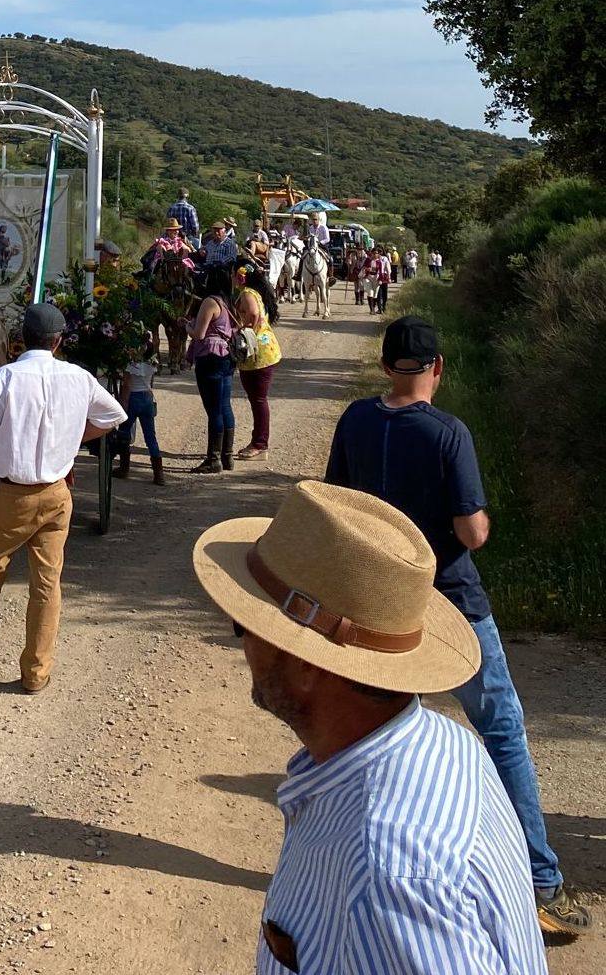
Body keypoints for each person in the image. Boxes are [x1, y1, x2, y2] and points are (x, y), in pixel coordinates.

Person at [192, 480, 547, 974]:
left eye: (246, 625)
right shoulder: (451, 745)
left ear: (308, 664)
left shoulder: (389, 876)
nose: (242, 645)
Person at [325, 317, 592, 939]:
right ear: (437, 368)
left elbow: (338, 505)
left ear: (387, 364)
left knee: (388, 737)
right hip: (449, 603)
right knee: (500, 731)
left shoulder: (355, 421)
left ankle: (384, 872)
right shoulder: (448, 432)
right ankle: (538, 884)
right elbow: (471, 532)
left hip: (377, 603)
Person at [0, 303, 125, 693]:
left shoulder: (6, 378)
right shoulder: (78, 377)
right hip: (56, 496)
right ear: (58, 341)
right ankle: (36, 674)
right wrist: (67, 442)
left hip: (10, 497)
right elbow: (113, 416)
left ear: (18, 341)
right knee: (47, 584)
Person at [187, 265, 235, 474]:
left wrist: (185, 326)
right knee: (225, 406)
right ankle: (227, 455)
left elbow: (199, 334)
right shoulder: (228, 303)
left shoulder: (210, 302)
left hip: (210, 357)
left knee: (213, 410)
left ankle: (213, 458)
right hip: (227, 356)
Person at [232, 262, 281, 461]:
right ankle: (259, 441)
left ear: (241, 276)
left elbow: (252, 314)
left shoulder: (247, 294)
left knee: (259, 400)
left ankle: (260, 444)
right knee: (257, 400)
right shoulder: (255, 292)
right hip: (265, 349)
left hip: (258, 352)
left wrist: (243, 329)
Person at [113, 334, 164, 486]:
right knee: (150, 436)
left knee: (124, 432)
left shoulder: (131, 365)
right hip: (147, 397)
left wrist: (122, 403)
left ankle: (124, 468)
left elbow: (127, 386)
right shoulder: (151, 364)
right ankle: (158, 473)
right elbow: (151, 383)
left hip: (133, 398)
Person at [375, 248, 391, 313]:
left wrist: (389, 277)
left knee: (381, 293)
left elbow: (387, 268)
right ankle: (382, 308)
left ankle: (382, 308)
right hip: (383, 276)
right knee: (382, 293)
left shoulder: (381, 259)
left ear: (379, 253)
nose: (375, 254)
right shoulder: (385, 259)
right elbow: (388, 268)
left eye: (376, 253)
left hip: (382, 276)